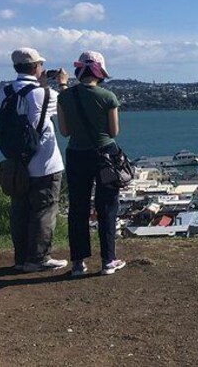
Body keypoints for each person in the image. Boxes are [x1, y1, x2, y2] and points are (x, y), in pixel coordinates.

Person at [0, 48, 69, 272]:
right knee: (44, 210)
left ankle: (21, 258)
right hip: (45, 162)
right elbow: (66, 107)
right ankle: (38, 258)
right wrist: (61, 83)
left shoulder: (3, 93)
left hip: (16, 162)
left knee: (20, 210)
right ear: (37, 67)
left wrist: (42, 84)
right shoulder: (45, 94)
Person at [57, 51, 126, 277]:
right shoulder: (108, 97)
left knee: (78, 208)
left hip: (76, 155)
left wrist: (63, 86)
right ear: (100, 70)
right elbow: (113, 132)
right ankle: (108, 261)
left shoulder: (64, 97)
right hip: (105, 154)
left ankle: (78, 263)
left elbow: (65, 132)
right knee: (107, 207)